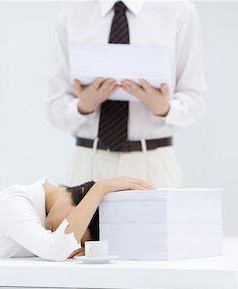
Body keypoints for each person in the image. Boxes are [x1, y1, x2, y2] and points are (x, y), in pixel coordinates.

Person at [46, 0, 206, 188]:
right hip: (89, 163)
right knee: (77, 219)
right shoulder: (71, 17)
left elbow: (196, 99)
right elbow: (55, 108)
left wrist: (164, 108)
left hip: (153, 165)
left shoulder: (178, 11)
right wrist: (83, 106)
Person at [0, 177, 153, 262]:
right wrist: (100, 188)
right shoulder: (14, 202)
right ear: (79, 194)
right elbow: (56, 248)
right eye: (69, 226)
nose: (66, 234)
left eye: (79, 242)